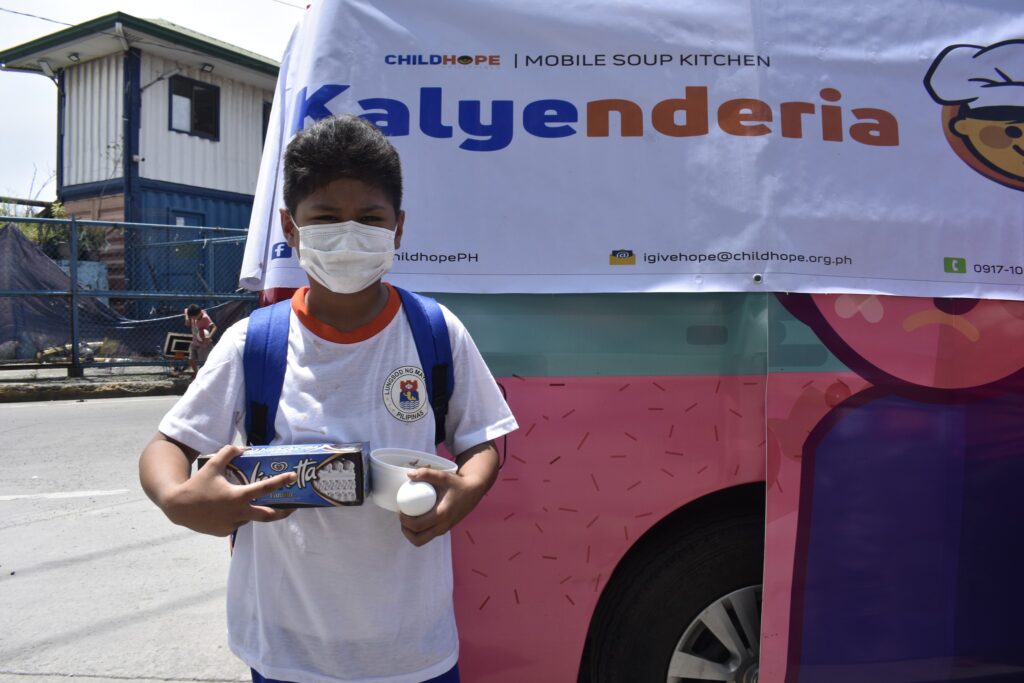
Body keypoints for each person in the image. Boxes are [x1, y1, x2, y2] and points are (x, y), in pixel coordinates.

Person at [139, 114, 518, 683]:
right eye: (325, 218)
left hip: (413, 649)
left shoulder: (436, 331)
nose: (347, 235)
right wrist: (179, 498)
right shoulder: (253, 342)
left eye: (369, 218)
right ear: (291, 228)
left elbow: (483, 438)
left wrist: (468, 489)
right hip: (285, 650)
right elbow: (169, 443)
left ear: (399, 227)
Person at [183, 304, 217, 375]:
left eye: (194, 317)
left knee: (203, 362)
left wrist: (209, 336)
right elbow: (186, 309)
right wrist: (187, 318)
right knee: (191, 360)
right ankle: (197, 374)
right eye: (191, 317)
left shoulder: (205, 318)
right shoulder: (193, 313)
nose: (193, 319)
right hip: (195, 342)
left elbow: (214, 327)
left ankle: (205, 376)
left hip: (204, 344)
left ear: (199, 313)